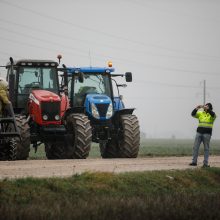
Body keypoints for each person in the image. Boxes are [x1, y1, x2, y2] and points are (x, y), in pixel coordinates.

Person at [190, 103, 217, 167]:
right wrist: (197, 108)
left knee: (206, 149)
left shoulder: (212, 115)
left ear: (210, 108)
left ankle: (205, 163)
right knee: (195, 147)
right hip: (199, 132)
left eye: (207, 106)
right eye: (205, 105)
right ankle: (194, 162)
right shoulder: (200, 113)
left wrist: (208, 110)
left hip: (207, 134)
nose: (205, 107)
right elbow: (192, 114)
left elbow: (214, 115)